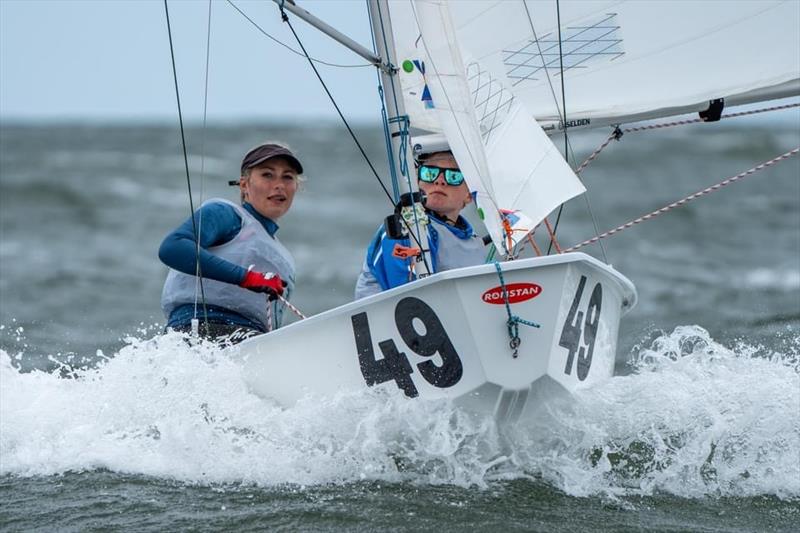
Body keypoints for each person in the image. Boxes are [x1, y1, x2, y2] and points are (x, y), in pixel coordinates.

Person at [159, 142, 302, 343]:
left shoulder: (285, 257)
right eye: (267, 175)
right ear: (244, 185)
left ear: (297, 186)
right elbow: (172, 248)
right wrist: (247, 278)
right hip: (199, 329)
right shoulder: (228, 214)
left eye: (287, 177)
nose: (279, 185)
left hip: (251, 340)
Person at [354, 148, 486, 299]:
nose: (439, 180)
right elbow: (407, 296)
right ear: (418, 183)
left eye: (453, 176)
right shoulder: (403, 230)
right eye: (429, 173)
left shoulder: (474, 241)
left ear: (469, 195)